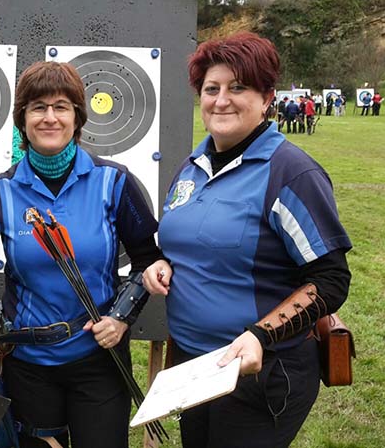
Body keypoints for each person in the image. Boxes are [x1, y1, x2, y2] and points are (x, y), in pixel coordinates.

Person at [142, 32, 352, 448]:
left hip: (261, 371)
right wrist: (163, 263)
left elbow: (330, 280)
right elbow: (185, 242)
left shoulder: (291, 172)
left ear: (267, 97)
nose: (222, 100)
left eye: (238, 88)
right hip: (194, 368)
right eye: (211, 89)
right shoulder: (192, 166)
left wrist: (261, 335)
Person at [0, 61, 161, 448]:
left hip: (98, 359)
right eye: (38, 107)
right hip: (27, 363)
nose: (50, 117)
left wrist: (121, 318)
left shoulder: (113, 181)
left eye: (61, 107)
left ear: (77, 117)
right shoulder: (0, 192)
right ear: (23, 119)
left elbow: (148, 259)